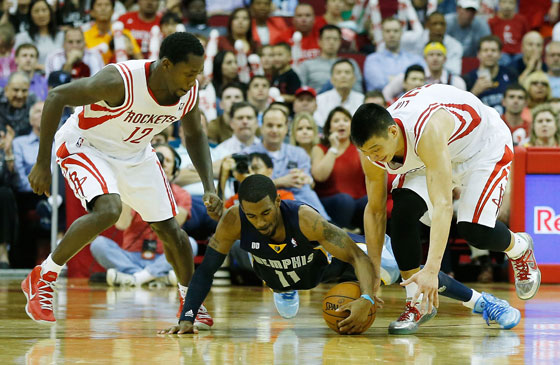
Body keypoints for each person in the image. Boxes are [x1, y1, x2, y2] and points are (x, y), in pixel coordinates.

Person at [21, 32, 223, 325]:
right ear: (166, 65)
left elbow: (194, 135)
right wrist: (43, 162)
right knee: (110, 209)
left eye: (198, 74)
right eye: (189, 73)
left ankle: (189, 302)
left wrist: (209, 186)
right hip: (86, 146)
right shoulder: (120, 80)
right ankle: (44, 275)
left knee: (171, 232)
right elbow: (56, 97)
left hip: (136, 154)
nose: (194, 81)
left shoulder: (187, 93)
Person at [160, 174, 522, 334]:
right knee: (276, 268)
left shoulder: (305, 219)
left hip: (332, 266)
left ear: (278, 201)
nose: (261, 221)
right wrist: (188, 315)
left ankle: (483, 303)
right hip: (281, 270)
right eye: (253, 216)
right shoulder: (232, 221)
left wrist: (367, 296)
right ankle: (284, 286)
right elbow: (206, 269)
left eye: (266, 213)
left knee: (406, 272)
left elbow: (359, 256)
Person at [351, 84, 541, 335]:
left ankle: (518, 247)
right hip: (434, 153)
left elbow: (443, 205)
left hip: (480, 146)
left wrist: (431, 271)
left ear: (393, 131)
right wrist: (374, 273)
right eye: (365, 152)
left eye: (376, 150)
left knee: (474, 230)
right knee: (402, 213)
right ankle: (417, 302)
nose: (374, 157)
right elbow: (375, 211)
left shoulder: (426, 129)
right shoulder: (372, 153)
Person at [89, 143, 199, 288]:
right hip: (131, 256)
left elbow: (176, 224)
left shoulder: (182, 194)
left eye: (167, 161)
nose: (162, 163)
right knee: (98, 244)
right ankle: (155, 277)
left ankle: (134, 278)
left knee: (190, 243)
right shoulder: (131, 190)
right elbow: (122, 225)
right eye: (158, 159)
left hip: (165, 256)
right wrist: (130, 190)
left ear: (174, 169)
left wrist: (158, 190)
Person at [245, 107, 329, 219]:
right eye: (270, 125)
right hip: (265, 209)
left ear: (286, 128)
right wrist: (280, 182)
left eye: (279, 126)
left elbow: (308, 181)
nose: (274, 130)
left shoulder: (298, 153)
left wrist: (305, 179)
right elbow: (247, 186)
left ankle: (325, 224)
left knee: (304, 189)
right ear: (262, 128)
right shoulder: (248, 154)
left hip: (300, 207)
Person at [311, 107, 367, 230]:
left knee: (369, 201)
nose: (341, 123)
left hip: (357, 201)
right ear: (330, 127)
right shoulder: (320, 148)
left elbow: (370, 175)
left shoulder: (360, 148)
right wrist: (333, 148)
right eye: (336, 121)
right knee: (345, 200)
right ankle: (341, 235)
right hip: (331, 201)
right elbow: (319, 176)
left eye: (345, 120)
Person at [364, 18, 425, 92]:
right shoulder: (372, 59)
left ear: (401, 33)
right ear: (382, 33)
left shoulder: (415, 59)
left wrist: (391, 79)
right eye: (388, 31)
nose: (391, 34)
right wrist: (406, 81)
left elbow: (425, 82)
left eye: (395, 31)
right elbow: (378, 84)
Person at [297, 25, 363, 94]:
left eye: (335, 39)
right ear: (319, 41)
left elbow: (358, 90)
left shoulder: (350, 63)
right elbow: (301, 92)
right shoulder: (307, 65)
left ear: (340, 42)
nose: (331, 42)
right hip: (317, 101)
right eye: (327, 39)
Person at [463, 35, 517, 115]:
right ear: (478, 54)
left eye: (493, 50)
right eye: (485, 50)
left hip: (506, 123)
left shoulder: (510, 74)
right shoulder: (469, 78)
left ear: (500, 54)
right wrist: (474, 92)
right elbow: (463, 109)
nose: (489, 54)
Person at [401, 11, 463, 75]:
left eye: (442, 24)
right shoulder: (413, 39)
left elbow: (455, 72)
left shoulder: (455, 45)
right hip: (416, 78)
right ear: (427, 25)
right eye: (434, 24)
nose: (438, 28)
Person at [84, 0, 142, 65]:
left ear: (113, 11)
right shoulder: (85, 36)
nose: (103, 8)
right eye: (99, 5)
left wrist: (130, 51)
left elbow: (140, 60)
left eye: (107, 5)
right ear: (92, 12)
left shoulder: (125, 34)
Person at [314, 59, 364, 127]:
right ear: (331, 79)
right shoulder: (319, 101)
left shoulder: (362, 100)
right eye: (338, 72)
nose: (343, 75)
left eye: (347, 72)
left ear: (354, 78)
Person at [14, 0, 64, 65]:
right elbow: (16, 61)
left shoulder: (61, 35)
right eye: (36, 11)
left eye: (44, 10)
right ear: (30, 15)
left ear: (50, 13)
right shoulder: (22, 37)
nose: (41, 15)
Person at [488, 0, 530, 65]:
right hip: (501, 53)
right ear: (499, 4)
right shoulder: (492, 21)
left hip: (519, 53)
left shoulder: (522, 20)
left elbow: (527, 38)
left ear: (515, 5)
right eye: (504, 2)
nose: (507, 6)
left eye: (511, 3)